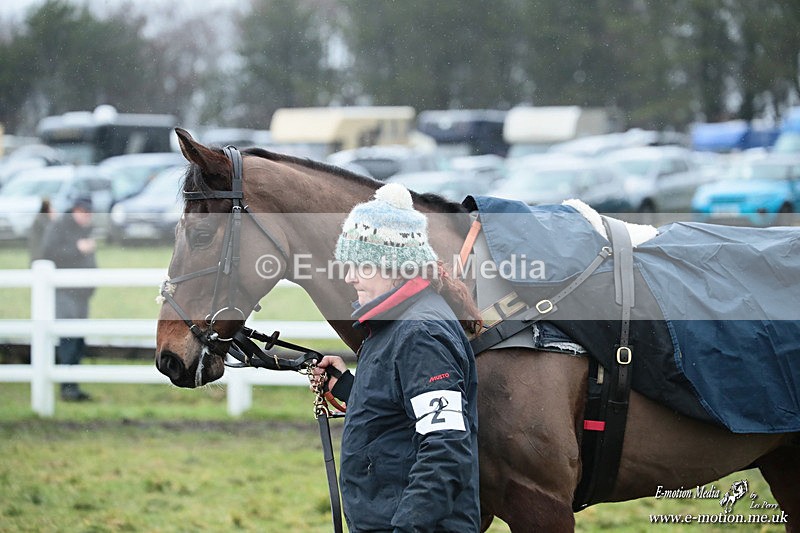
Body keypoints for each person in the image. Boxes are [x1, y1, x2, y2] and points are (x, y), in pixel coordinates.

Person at [313, 183, 482, 532]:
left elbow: (446, 450)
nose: (349, 277)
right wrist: (348, 388)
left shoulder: (421, 335)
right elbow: (400, 411)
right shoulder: (391, 324)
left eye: (360, 265)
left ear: (394, 266)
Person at [40, 195, 97, 402]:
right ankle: (67, 385)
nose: (88, 217)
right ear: (76, 210)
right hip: (65, 291)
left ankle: (72, 383)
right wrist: (77, 250)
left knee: (79, 339)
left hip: (81, 293)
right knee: (69, 338)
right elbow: (48, 253)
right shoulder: (59, 227)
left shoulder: (83, 228)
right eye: (85, 212)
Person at [28, 198, 54, 264]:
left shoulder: (40, 217)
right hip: (39, 252)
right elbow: (48, 230)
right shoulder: (41, 218)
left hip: (39, 249)